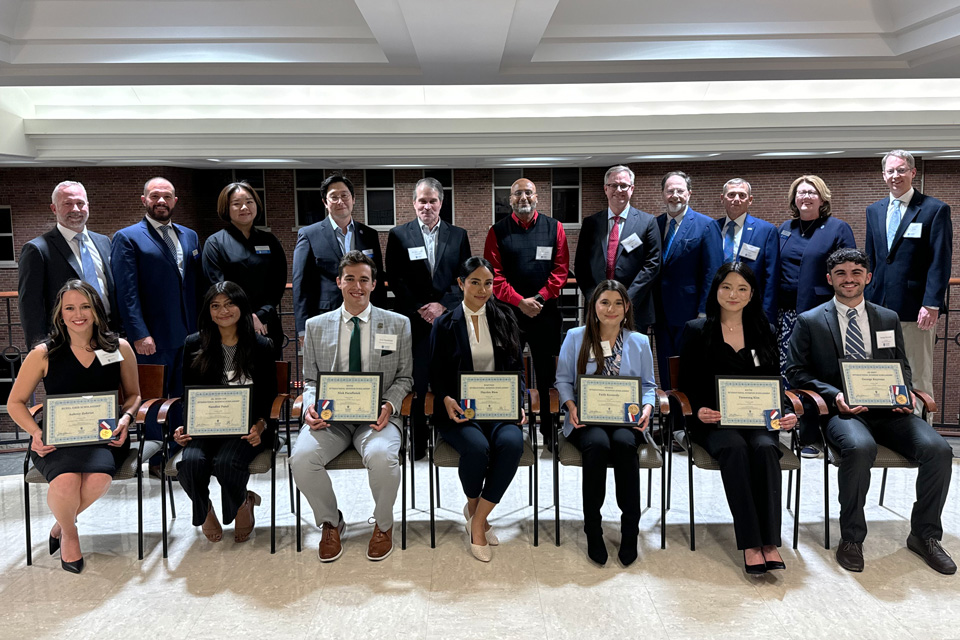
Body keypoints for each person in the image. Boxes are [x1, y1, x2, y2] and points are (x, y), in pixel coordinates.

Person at [786, 248, 954, 574]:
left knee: (939, 449)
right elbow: (796, 373)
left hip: (889, 411)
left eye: (855, 273)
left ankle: (925, 535)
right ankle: (851, 538)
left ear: (868, 277)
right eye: (841, 274)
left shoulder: (887, 318)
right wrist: (834, 396)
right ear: (829, 279)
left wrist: (902, 394)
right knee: (860, 448)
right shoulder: (810, 321)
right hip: (842, 412)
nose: (849, 279)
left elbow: (901, 367)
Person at [7, 280, 141, 573]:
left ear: (96, 310)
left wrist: (125, 419)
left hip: (104, 435)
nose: (77, 314)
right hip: (55, 437)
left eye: (84, 306)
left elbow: (133, 396)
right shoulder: (43, 353)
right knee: (66, 481)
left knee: (97, 480)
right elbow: (15, 402)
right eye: (69, 307)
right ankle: (70, 533)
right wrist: (36, 433)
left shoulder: (119, 348)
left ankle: (61, 521)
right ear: (60, 313)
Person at [289, 250, 412, 562]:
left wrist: (389, 405)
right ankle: (331, 522)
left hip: (377, 418)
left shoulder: (397, 324)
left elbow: (405, 377)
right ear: (339, 282)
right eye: (350, 279)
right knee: (301, 459)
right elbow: (310, 380)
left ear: (374, 285)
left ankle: (383, 525)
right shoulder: (316, 326)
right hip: (332, 419)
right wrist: (310, 408)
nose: (357, 285)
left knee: (384, 457)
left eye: (364, 279)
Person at [677, 262, 798, 575]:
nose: (733, 294)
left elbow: (775, 381)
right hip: (713, 421)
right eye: (726, 287)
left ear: (752, 294)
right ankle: (749, 542)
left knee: (766, 448)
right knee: (734, 448)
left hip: (758, 419)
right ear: (716, 290)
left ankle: (769, 542)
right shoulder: (696, 330)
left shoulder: (765, 331)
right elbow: (685, 383)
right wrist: (699, 409)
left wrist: (785, 414)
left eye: (742, 288)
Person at [429, 256, 526, 562]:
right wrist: (445, 398)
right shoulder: (444, 324)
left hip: (500, 408)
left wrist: (520, 401)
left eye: (488, 283)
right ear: (461, 284)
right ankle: (476, 516)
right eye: (475, 282)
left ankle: (478, 518)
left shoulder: (506, 317)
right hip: (460, 410)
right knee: (476, 448)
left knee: (512, 443)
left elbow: (518, 369)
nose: (483, 290)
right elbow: (435, 373)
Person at [555, 280, 657, 567]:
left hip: (627, 422)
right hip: (586, 419)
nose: (610, 309)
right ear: (594, 307)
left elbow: (648, 385)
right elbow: (562, 380)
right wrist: (571, 405)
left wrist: (648, 407)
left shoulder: (638, 341)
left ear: (626, 308)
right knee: (598, 445)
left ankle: (629, 530)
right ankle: (593, 529)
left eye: (617, 303)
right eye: (604, 303)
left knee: (625, 445)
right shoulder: (576, 337)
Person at [172, 281, 277, 543]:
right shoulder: (194, 344)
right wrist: (185, 426)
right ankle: (205, 509)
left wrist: (261, 425)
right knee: (190, 463)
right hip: (206, 428)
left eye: (230, 303)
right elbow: (188, 394)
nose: (223, 311)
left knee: (226, 463)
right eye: (216, 305)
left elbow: (269, 395)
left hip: (247, 428)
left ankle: (243, 503)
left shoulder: (261, 346)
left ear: (241, 306)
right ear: (208, 311)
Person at [111, 177, 202, 473]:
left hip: (188, 335)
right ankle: (156, 459)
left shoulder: (189, 236)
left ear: (175, 201)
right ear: (144, 200)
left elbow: (194, 285)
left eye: (167, 196)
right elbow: (126, 291)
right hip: (152, 338)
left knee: (181, 396)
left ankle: (178, 453)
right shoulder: (127, 237)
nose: (161, 201)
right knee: (153, 400)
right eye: (154, 196)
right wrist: (139, 333)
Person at [386, 177, 471, 460]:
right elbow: (395, 278)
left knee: (448, 380)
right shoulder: (398, 235)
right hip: (416, 322)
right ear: (414, 203)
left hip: (448, 323)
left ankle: (450, 436)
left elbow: (465, 277)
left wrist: (443, 306)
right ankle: (419, 445)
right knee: (419, 384)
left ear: (441, 203)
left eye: (432, 201)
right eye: (422, 201)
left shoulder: (458, 235)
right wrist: (422, 307)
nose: (427, 206)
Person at [864, 150, 953, 411]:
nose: (895, 176)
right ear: (883, 175)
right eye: (890, 171)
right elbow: (871, 260)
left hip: (917, 309)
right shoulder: (874, 210)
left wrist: (932, 303)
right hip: (878, 307)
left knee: (917, 374)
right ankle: (887, 433)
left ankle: (922, 440)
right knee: (881, 372)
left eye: (901, 170)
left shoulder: (935, 210)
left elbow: (940, 260)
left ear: (913, 172)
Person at [483, 178, 569, 441]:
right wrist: (520, 302)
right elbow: (493, 276)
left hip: (545, 315)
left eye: (528, 193)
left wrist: (539, 300)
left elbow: (561, 270)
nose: (523, 197)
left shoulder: (555, 227)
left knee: (547, 374)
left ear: (536, 198)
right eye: (517, 193)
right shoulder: (497, 231)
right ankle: (511, 430)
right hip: (509, 315)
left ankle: (548, 430)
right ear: (510, 199)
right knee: (509, 372)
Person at [777, 175, 855, 458]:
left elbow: (847, 270)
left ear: (822, 198)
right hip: (786, 317)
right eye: (800, 193)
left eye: (811, 192)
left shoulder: (837, 228)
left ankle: (813, 437)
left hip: (821, 317)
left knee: (812, 374)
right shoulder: (785, 229)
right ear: (793, 200)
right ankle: (785, 428)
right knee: (787, 373)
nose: (805, 197)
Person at [18, 181, 116, 349]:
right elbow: (30, 307)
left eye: (80, 203)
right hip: (64, 342)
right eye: (67, 204)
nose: (75, 209)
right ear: (54, 208)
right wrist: (39, 350)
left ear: (88, 206)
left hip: (107, 335)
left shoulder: (104, 242)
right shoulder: (37, 249)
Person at [292, 174, 385, 340]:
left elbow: (377, 279)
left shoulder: (369, 234)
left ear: (353, 199)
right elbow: (301, 284)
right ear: (325, 202)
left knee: (366, 364)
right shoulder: (309, 235)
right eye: (333, 197)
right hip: (326, 317)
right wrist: (302, 329)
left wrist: (382, 320)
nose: (340, 201)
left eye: (344, 195)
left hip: (366, 316)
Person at [652, 170, 723, 389]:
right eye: (670, 191)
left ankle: (689, 419)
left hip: (691, 314)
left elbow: (713, 272)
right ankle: (670, 419)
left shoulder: (706, 225)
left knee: (690, 369)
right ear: (663, 195)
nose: (675, 195)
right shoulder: (654, 224)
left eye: (680, 191)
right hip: (659, 313)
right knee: (665, 369)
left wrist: (704, 311)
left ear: (689, 194)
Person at [202, 181, 288, 360]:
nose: (244, 207)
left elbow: (277, 283)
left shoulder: (269, 240)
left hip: (266, 322)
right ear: (226, 208)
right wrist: (248, 317)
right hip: (230, 324)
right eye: (236, 203)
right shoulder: (215, 243)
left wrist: (261, 314)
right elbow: (217, 287)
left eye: (249, 202)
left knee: (270, 380)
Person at [574, 165, 660, 331]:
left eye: (624, 185)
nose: (618, 190)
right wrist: (596, 298)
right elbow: (581, 266)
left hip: (634, 307)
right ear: (606, 189)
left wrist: (626, 300)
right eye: (613, 185)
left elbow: (652, 265)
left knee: (631, 354)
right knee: (599, 354)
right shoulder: (591, 223)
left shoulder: (647, 222)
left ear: (632, 189)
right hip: (598, 307)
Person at [716, 178, 779, 324]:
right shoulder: (712, 228)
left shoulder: (766, 231)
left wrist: (767, 315)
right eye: (731, 195)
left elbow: (772, 277)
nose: (736, 199)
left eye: (742, 195)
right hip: (718, 305)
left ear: (750, 200)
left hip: (752, 308)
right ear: (722, 198)